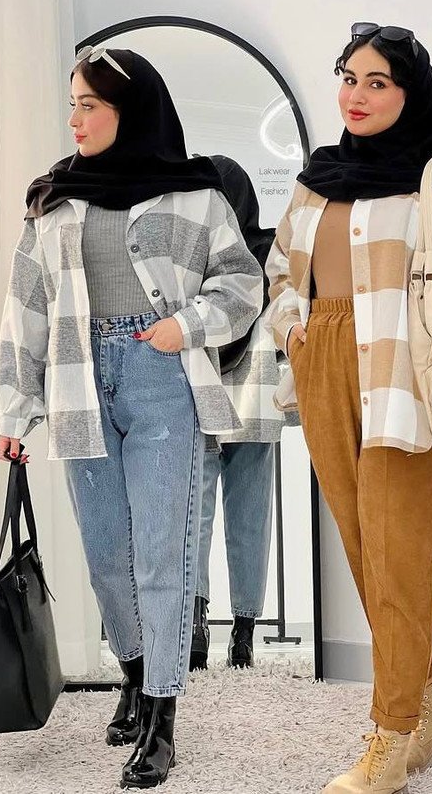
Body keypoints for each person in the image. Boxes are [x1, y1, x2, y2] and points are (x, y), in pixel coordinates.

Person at [0, 47, 262, 789]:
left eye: (90, 105)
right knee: (108, 556)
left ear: (131, 110)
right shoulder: (52, 199)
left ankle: (162, 720)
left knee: (163, 557)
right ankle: (138, 676)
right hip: (77, 385)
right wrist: (15, 409)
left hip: (161, 381)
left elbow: (243, 284)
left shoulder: (196, 196)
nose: (75, 120)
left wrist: (187, 325)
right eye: (72, 104)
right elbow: (25, 310)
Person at [266, 23, 432, 794]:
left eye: (378, 82)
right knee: (362, 552)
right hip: (325, 365)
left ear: (410, 94)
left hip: (405, 376)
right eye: (349, 78)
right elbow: (281, 271)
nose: (358, 95)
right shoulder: (317, 179)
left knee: (400, 556)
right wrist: (293, 328)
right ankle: (429, 702)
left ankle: (393, 737)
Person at [189, 154, 286, 671]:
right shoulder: (268, 253)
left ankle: (197, 625)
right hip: (256, 398)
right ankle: (244, 633)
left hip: (202, 396)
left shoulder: (192, 257)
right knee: (250, 515)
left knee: (195, 514)